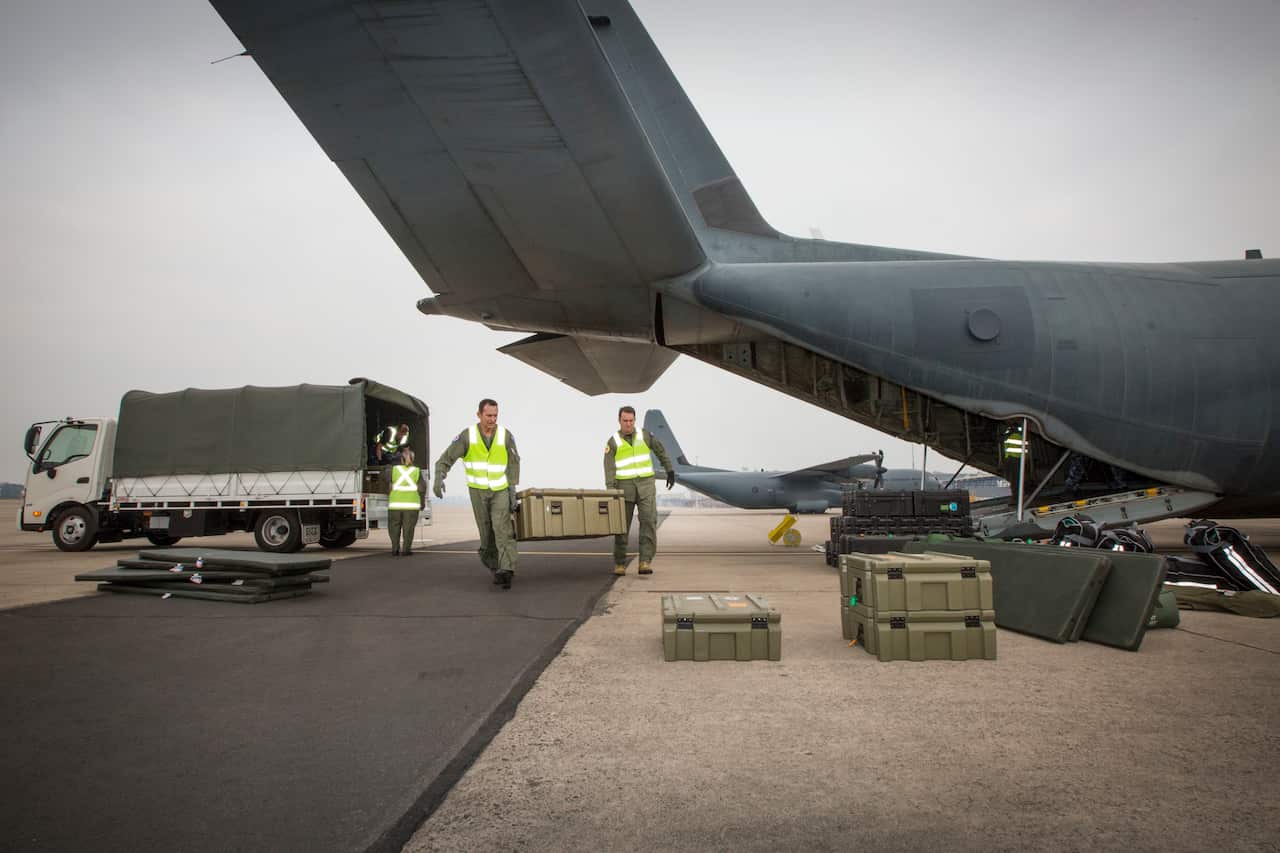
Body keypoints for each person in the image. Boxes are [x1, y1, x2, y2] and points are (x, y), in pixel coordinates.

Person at [434, 399, 520, 589]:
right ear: (479, 414)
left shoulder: (505, 435)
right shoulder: (467, 436)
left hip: (500, 490)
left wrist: (512, 489)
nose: (492, 419)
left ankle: (507, 569)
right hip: (477, 491)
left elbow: (514, 462)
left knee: (502, 529)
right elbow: (445, 459)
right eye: (489, 415)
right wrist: (439, 478)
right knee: (486, 533)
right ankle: (495, 566)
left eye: (495, 415)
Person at [604, 406, 675, 576]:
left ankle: (645, 561)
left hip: (646, 486)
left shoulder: (644, 435)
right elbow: (609, 468)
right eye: (625, 421)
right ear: (619, 420)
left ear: (634, 420)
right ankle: (620, 563)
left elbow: (660, 450)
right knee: (621, 527)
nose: (628, 424)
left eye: (631, 421)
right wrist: (611, 490)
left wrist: (669, 470)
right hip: (624, 489)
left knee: (649, 522)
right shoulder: (613, 442)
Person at [386, 447, 427, 556]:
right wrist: (422, 503)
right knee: (408, 529)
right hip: (411, 506)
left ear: (401, 459)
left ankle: (395, 549)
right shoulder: (416, 471)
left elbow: (385, 478)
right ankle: (406, 550)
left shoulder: (393, 470)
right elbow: (422, 488)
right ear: (413, 459)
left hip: (395, 505)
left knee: (394, 528)